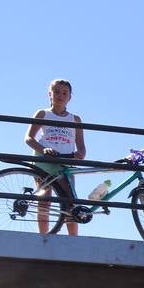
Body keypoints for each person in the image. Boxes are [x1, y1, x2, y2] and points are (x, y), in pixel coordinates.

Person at [23, 78, 86, 236]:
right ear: (49, 94)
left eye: (64, 93)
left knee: (70, 201)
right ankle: (43, 237)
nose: (60, 95)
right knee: (45, 199)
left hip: (65, 161)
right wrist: (44, 150)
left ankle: (73, 239)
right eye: (56, 91)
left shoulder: (75, 119)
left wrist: (79, 155)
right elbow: (29, 138)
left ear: (70, 97)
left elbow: (81, 147)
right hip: (44, 160)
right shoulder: (43, 113)